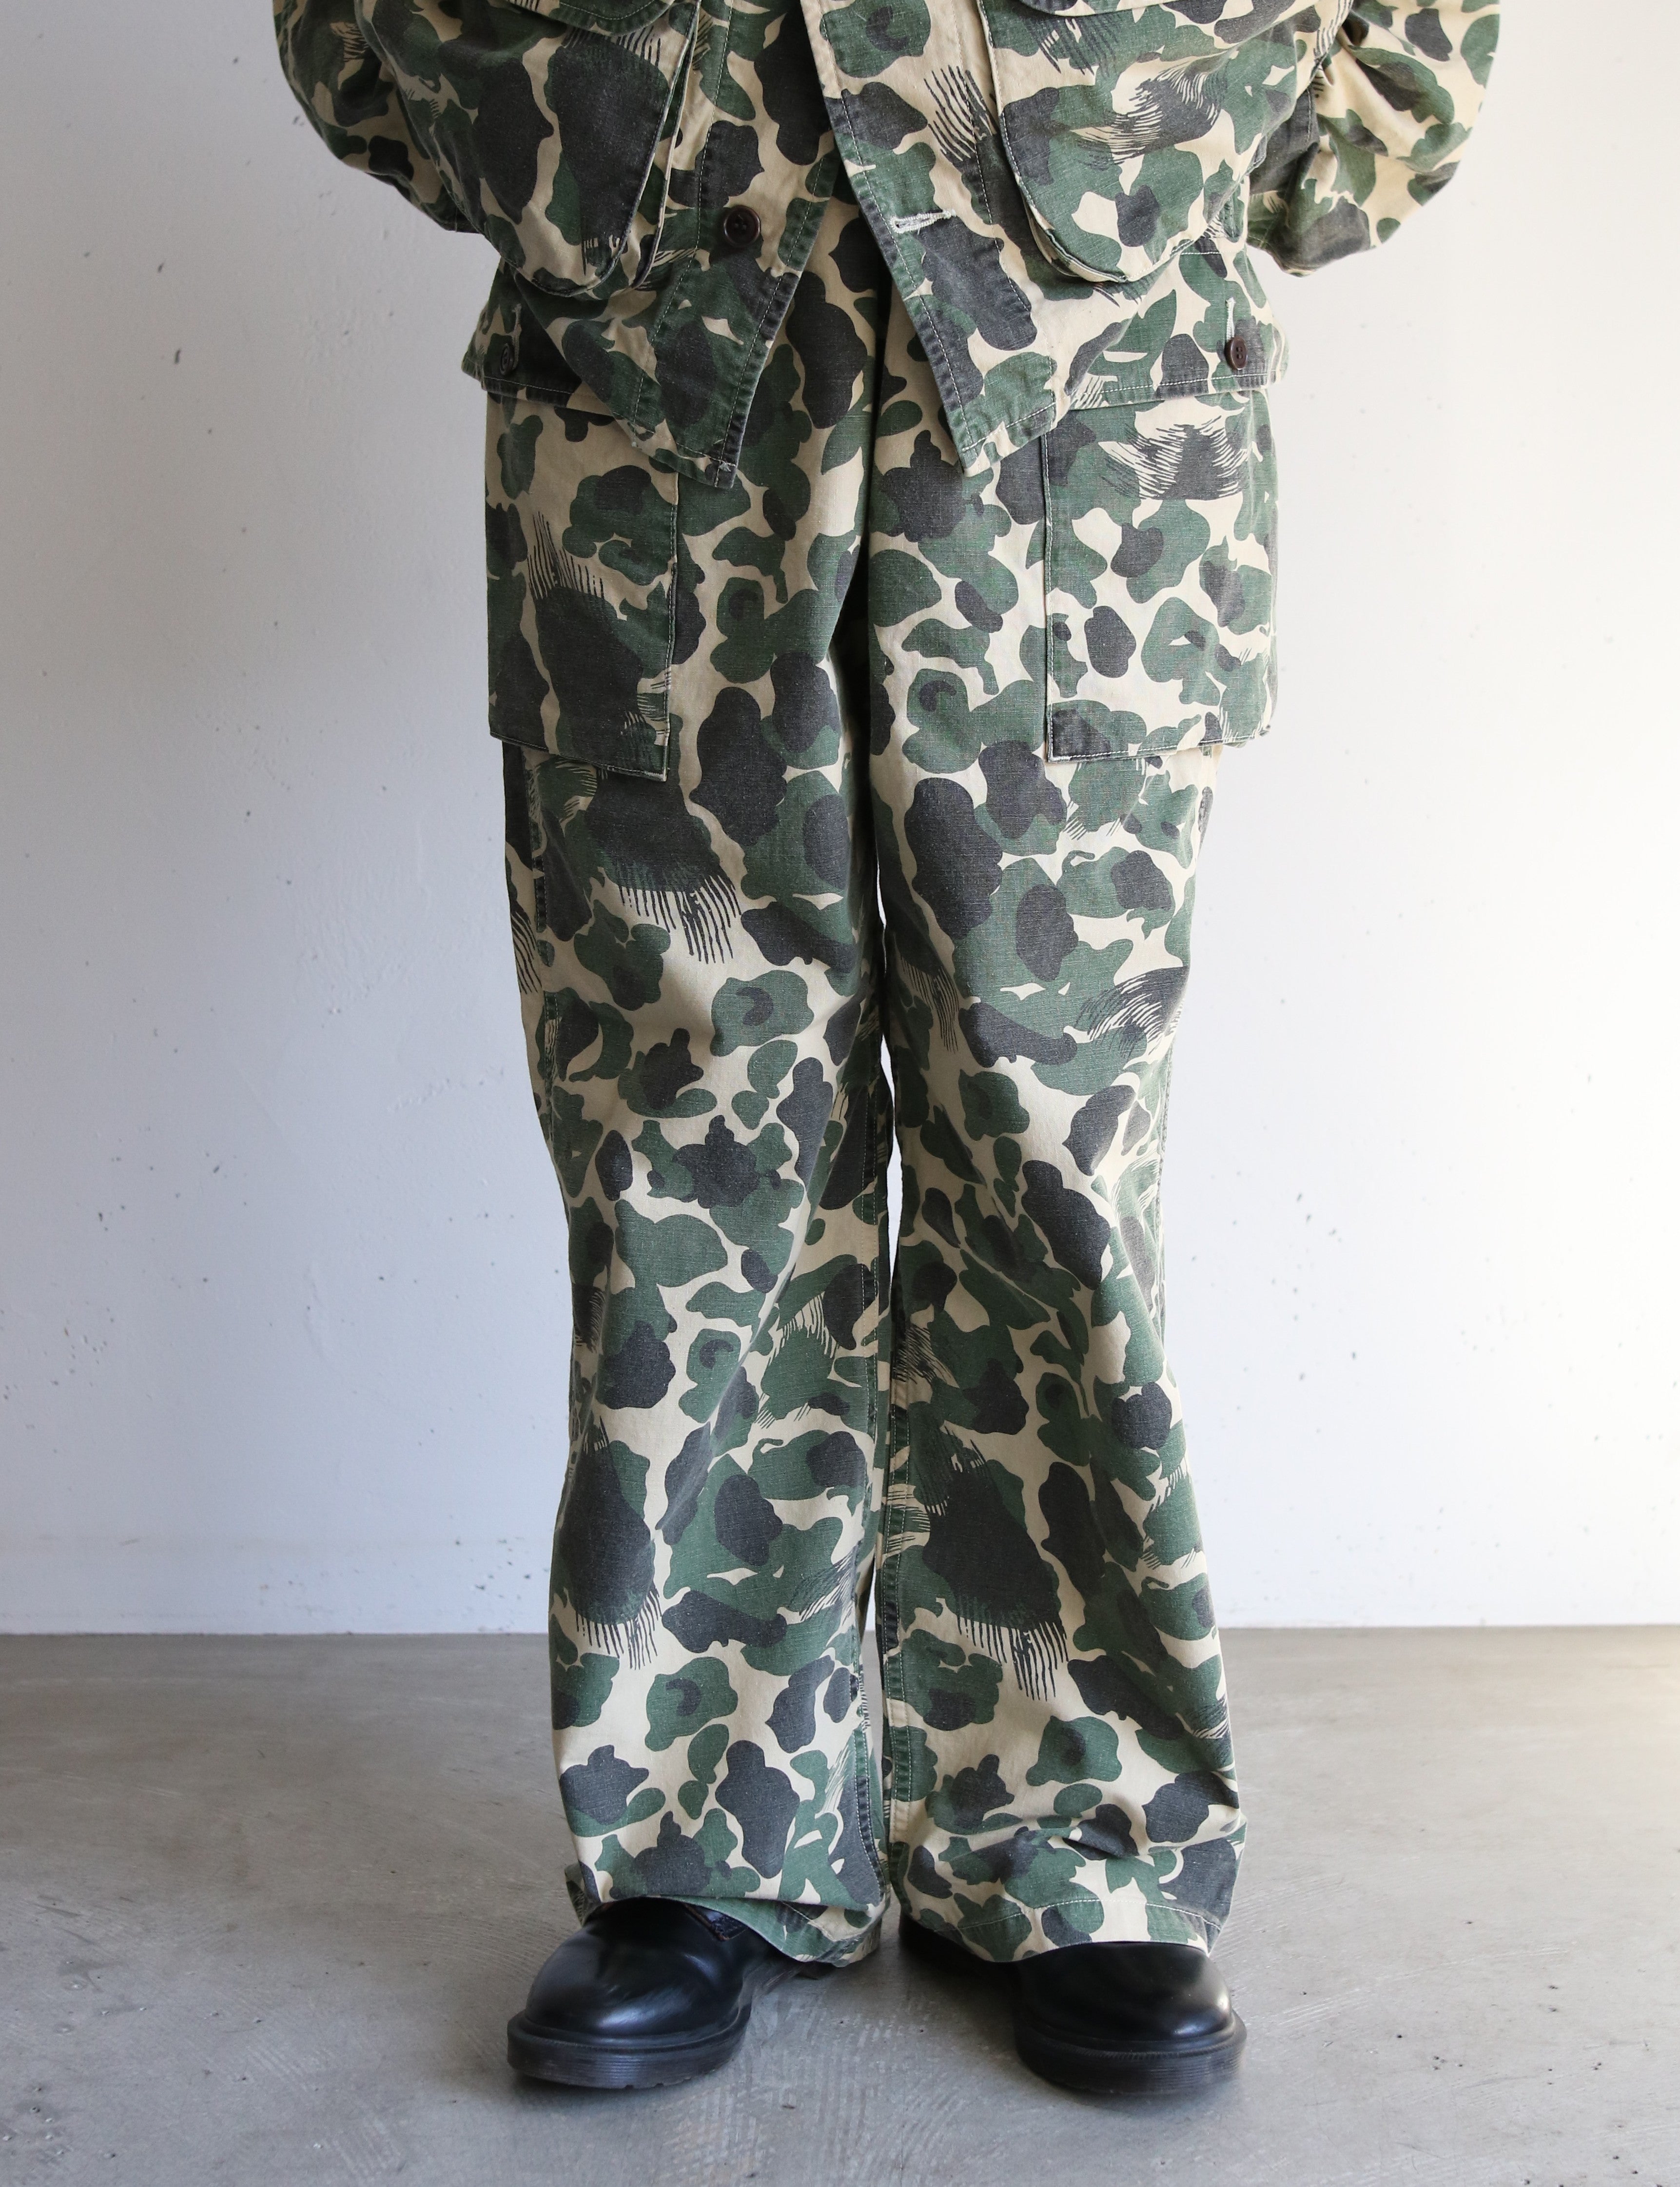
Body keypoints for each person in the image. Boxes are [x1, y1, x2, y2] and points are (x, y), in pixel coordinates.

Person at [276, 0, 1496, 2096]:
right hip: (665, 401)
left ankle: (1081, 1841)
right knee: (686, 1159)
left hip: (1083, 438)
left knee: (1054, 1153)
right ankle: (701, 1838)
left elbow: (1413, 62)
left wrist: (1153, 136)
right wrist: (601, 135)